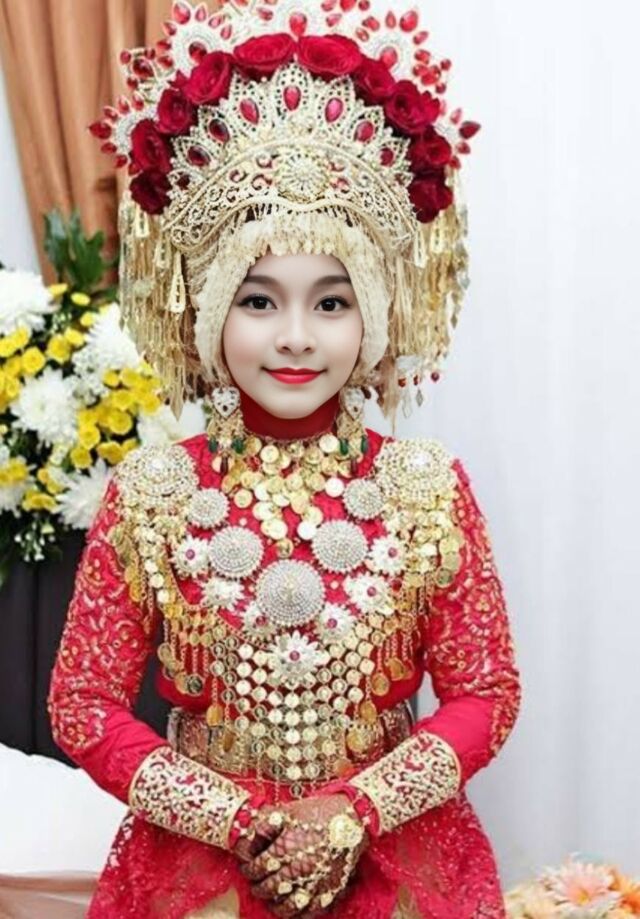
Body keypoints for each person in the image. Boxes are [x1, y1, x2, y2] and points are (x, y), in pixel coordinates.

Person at [47, 2, 521, 917]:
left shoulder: (425, 488)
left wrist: (354, 809)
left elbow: (486, 692)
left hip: (397, 855)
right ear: (206, 308)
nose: (296, 337)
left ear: (372, 312)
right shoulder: (152, 493)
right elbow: (82, 702)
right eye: (259, 300)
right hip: (198, 863)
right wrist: (237, 821)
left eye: (331, 303)